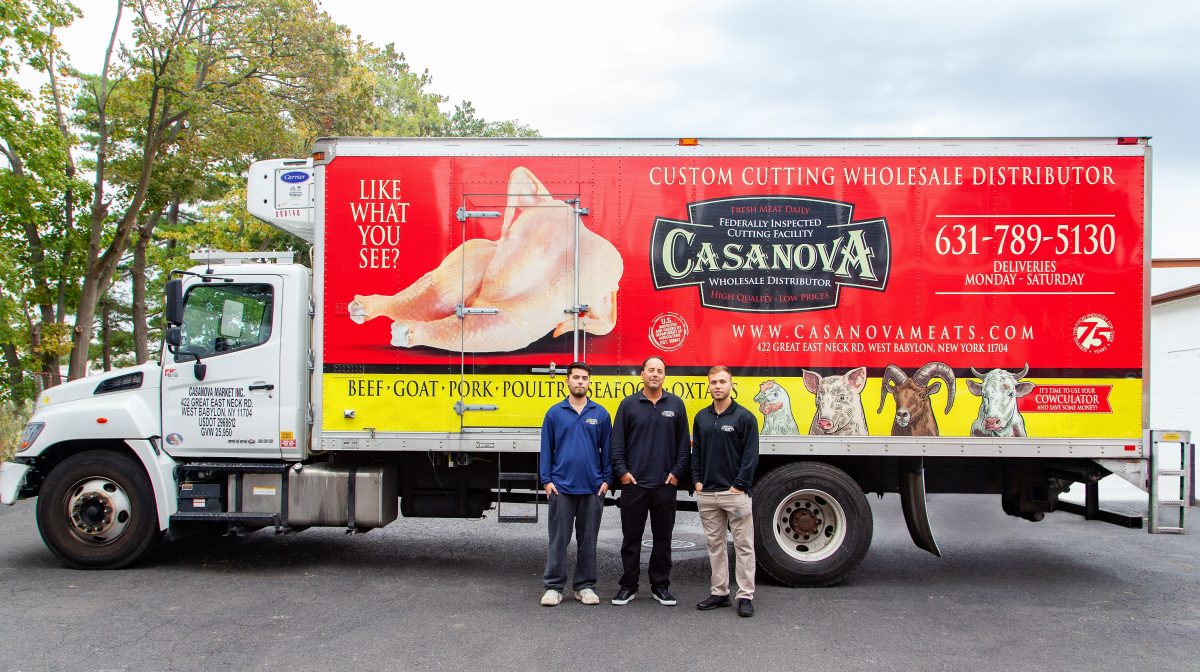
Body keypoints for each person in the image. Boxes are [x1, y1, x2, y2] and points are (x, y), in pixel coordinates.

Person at [609, 356, 690, 606]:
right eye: (651, 370)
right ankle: (628, 586)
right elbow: (617, 444)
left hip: (665, 486)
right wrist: (623, 473)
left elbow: (683, 446)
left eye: (660, 371)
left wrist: (676, 474)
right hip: (634, 485)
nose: (655, 374)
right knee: (630, 540)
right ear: (641, 374)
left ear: (665, 376)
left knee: (663, 540)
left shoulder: (676, 405)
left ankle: (660, 586)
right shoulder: (629, 405)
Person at [539, 362, 612, 607]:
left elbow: (608, 451)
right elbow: (546, 449)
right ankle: (554, 586)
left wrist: (606, 480)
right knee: (558, 539)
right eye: (576, 378)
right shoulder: (554, 413)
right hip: (562, 487)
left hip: (592, 488)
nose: (580, 382)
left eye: (584, 378)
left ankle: (585, 586)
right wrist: (547, 481)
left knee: (588, 540)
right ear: (567, 381)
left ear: (589, 383)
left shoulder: (600, 414)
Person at [692, 365, 760, 617]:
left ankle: (745, 595)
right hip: (708, 493)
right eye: (713, 382)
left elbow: (751, 456)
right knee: (715, 545)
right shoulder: (701, 417)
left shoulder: (745, 418)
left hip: (735, 494)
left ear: (732, 385)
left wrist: (738, 485)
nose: (717, 386)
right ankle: (719, 592)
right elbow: (696, 451)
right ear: (708, 386)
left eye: (722, 381)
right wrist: (697, 481)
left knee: (743, 545)